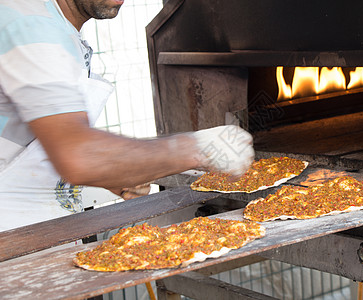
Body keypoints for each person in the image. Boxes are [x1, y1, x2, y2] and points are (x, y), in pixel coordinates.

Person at [0, 0, 254, 232]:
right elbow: (76, 156)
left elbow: (40, 138)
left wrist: (112, 172)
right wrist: (198, 149)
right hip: (11, 234)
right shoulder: (31, 28)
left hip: (34, 225)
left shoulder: (54, 24)